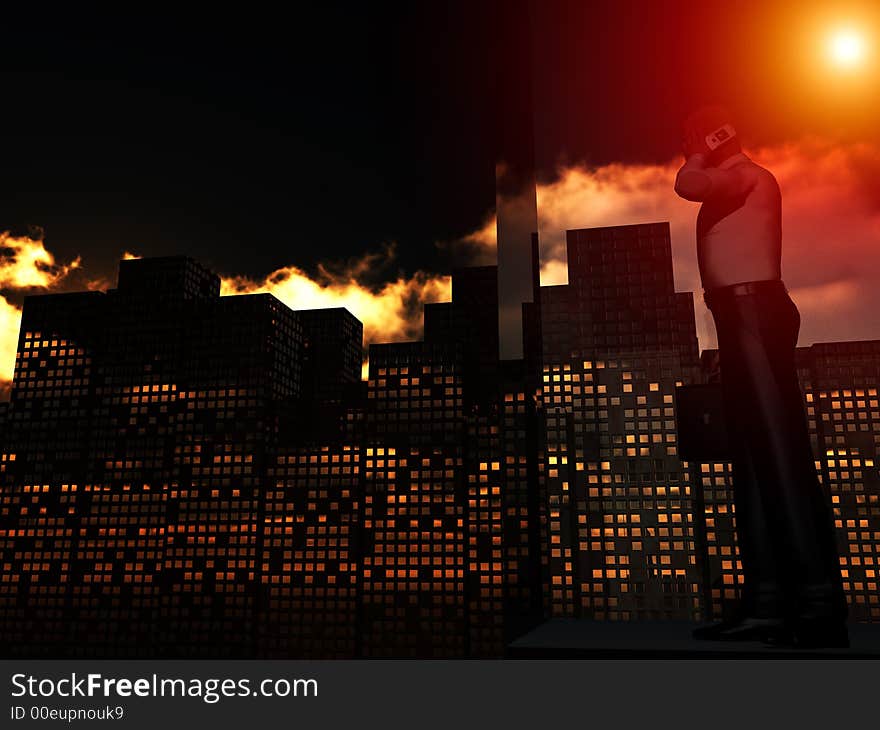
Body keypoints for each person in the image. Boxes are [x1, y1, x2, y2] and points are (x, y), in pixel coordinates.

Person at [674, 105, 848, 648]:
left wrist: (700, 149)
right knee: (752, 459)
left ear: (721, 135)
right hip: (736, 315)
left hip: (752, 310)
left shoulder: (746, 176)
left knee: (777, 453)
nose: (688, 145)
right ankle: (769, 601)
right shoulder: (735, 181)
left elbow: (688, 184)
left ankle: (815, 602)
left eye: (696, 135)